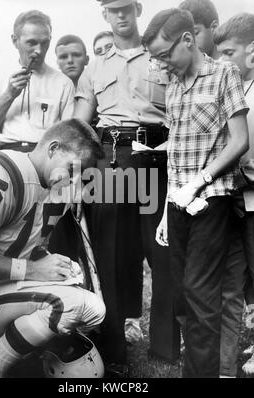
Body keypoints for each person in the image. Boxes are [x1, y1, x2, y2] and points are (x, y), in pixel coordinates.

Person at [75, 0, 180, 375]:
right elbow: (80, 124)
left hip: (155, 155)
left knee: (162, 251)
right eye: (112, 9)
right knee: (111, 254)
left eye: (126, 7)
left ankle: (166, 347)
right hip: (111, 157)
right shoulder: (95, 67)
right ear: (104, 14)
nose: (120, 16)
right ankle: (112, 349)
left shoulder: (161, 57)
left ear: (137, 9)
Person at [0, 118, 106, 378]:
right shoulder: (3, 173)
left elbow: (24, 245)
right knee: (85, 307)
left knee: (73, 295)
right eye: (73, 168)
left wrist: (53, 265)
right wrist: (33, 269)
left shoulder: (55, 185)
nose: (76, 179)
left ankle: (7, 351)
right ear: (53, 148)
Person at [143, 8, 249, 377]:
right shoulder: (172, 87)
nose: (161, 64)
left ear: (187, 40)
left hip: (211, 198)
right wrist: (164, 214)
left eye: (164, 54)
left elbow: (239, 141)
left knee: (202, 296)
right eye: (155, 58)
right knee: (181, 298)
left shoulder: (225, 73)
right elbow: (175, 151)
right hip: (177, 203)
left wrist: (200, 180)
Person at [180, 0, 247, 379]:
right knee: (217, 286)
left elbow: (240, 144)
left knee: (233, 286)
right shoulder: (198, 82)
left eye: (226, 52)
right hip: (220, 201)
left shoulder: (233, 81)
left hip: (240, 198)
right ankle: (217, 366)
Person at [214, 13, 254, 376]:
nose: (223, 61)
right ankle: (225, 368)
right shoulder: (229, 90)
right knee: (230, 284)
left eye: (229, 51)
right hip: (233, 201)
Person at [0, 10, 74, 153]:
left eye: (45, 43)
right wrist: (9, 95)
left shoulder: (63, 83)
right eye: (32, 43)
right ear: (14, 41)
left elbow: (68, 138)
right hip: (5, 155)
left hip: (44, 157)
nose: (39, 51)